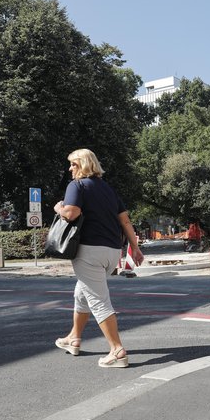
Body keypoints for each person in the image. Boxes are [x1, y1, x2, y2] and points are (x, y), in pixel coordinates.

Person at [53, 148, 144, 368]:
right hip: (112, 251)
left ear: (84, 164)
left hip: (88, 251)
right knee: (82, 293)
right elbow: (125, 222)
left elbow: (72, 213)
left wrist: (59, 208)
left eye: (73, 164)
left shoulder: (77, 186)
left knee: (98, 300)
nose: (70, 168)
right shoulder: (108, 189)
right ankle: (74, 338)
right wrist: (136, 248)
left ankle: (117, 350)